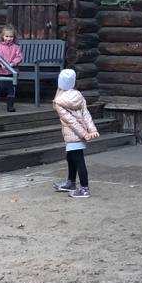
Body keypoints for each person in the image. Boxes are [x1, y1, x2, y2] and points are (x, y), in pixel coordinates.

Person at [53, 69, 100, 199]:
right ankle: (70, 182)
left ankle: (84, 189)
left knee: (79, 161)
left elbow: (71, 121)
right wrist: (92, 130)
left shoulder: (59, 101)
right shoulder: (78, 95)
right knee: (71, 157)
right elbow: (86, 114)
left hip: (74, 134)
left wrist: (85, 134)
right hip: (80, 133)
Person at [0, 25, 23, 113]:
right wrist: (0, 63)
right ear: (2, 36)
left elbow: (19, 57)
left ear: (14, 37)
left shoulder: (16, 47)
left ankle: (10, 106)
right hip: (1, 71)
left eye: (11, 37)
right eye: (6, 36)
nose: (8, 38)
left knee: (11, 88)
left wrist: (12, 64)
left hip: (12, 71)